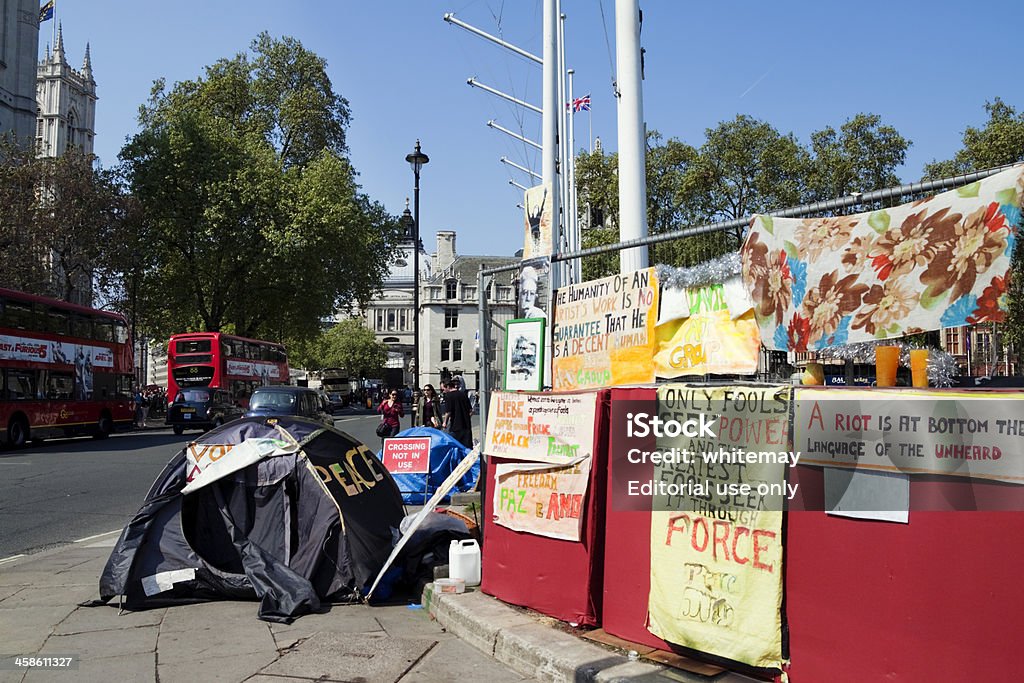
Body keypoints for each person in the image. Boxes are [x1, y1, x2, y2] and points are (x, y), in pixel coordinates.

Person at [442, 380, 474, 449]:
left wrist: (445, 423)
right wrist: (466, 418)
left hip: (455, 426)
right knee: (466, 448)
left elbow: (448, 412)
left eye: (443, 389)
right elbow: (471, 410)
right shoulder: (463, 394)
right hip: (466, 425)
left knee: (452, 446)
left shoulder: (448, 396)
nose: (443, 391)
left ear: (448, 387)